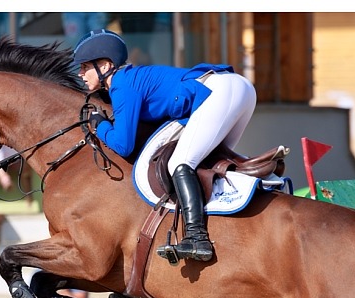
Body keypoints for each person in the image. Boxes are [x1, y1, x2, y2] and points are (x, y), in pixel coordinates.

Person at [73, 29, 257, 263]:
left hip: (220, 91)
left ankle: (197, 238)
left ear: (106, 65)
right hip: (240, 88)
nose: (80, 73)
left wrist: (99, 126)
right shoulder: (130, 79)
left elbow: (123, 145)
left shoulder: (122, 84)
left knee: (180, 162)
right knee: (212, 163)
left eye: (85, 67)